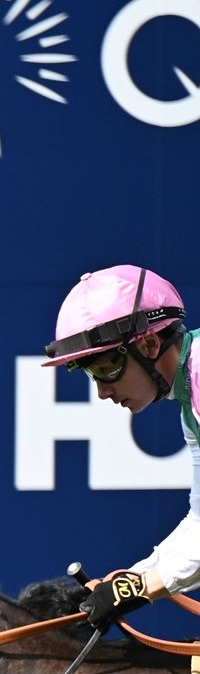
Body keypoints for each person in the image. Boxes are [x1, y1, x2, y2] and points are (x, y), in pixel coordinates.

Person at [40, 265, 200, 627]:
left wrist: (141, 586)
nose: (102, 391)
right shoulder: (191, 398)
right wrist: (131, 579)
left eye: (107, 366)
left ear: (148, 343)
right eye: (90, 373)